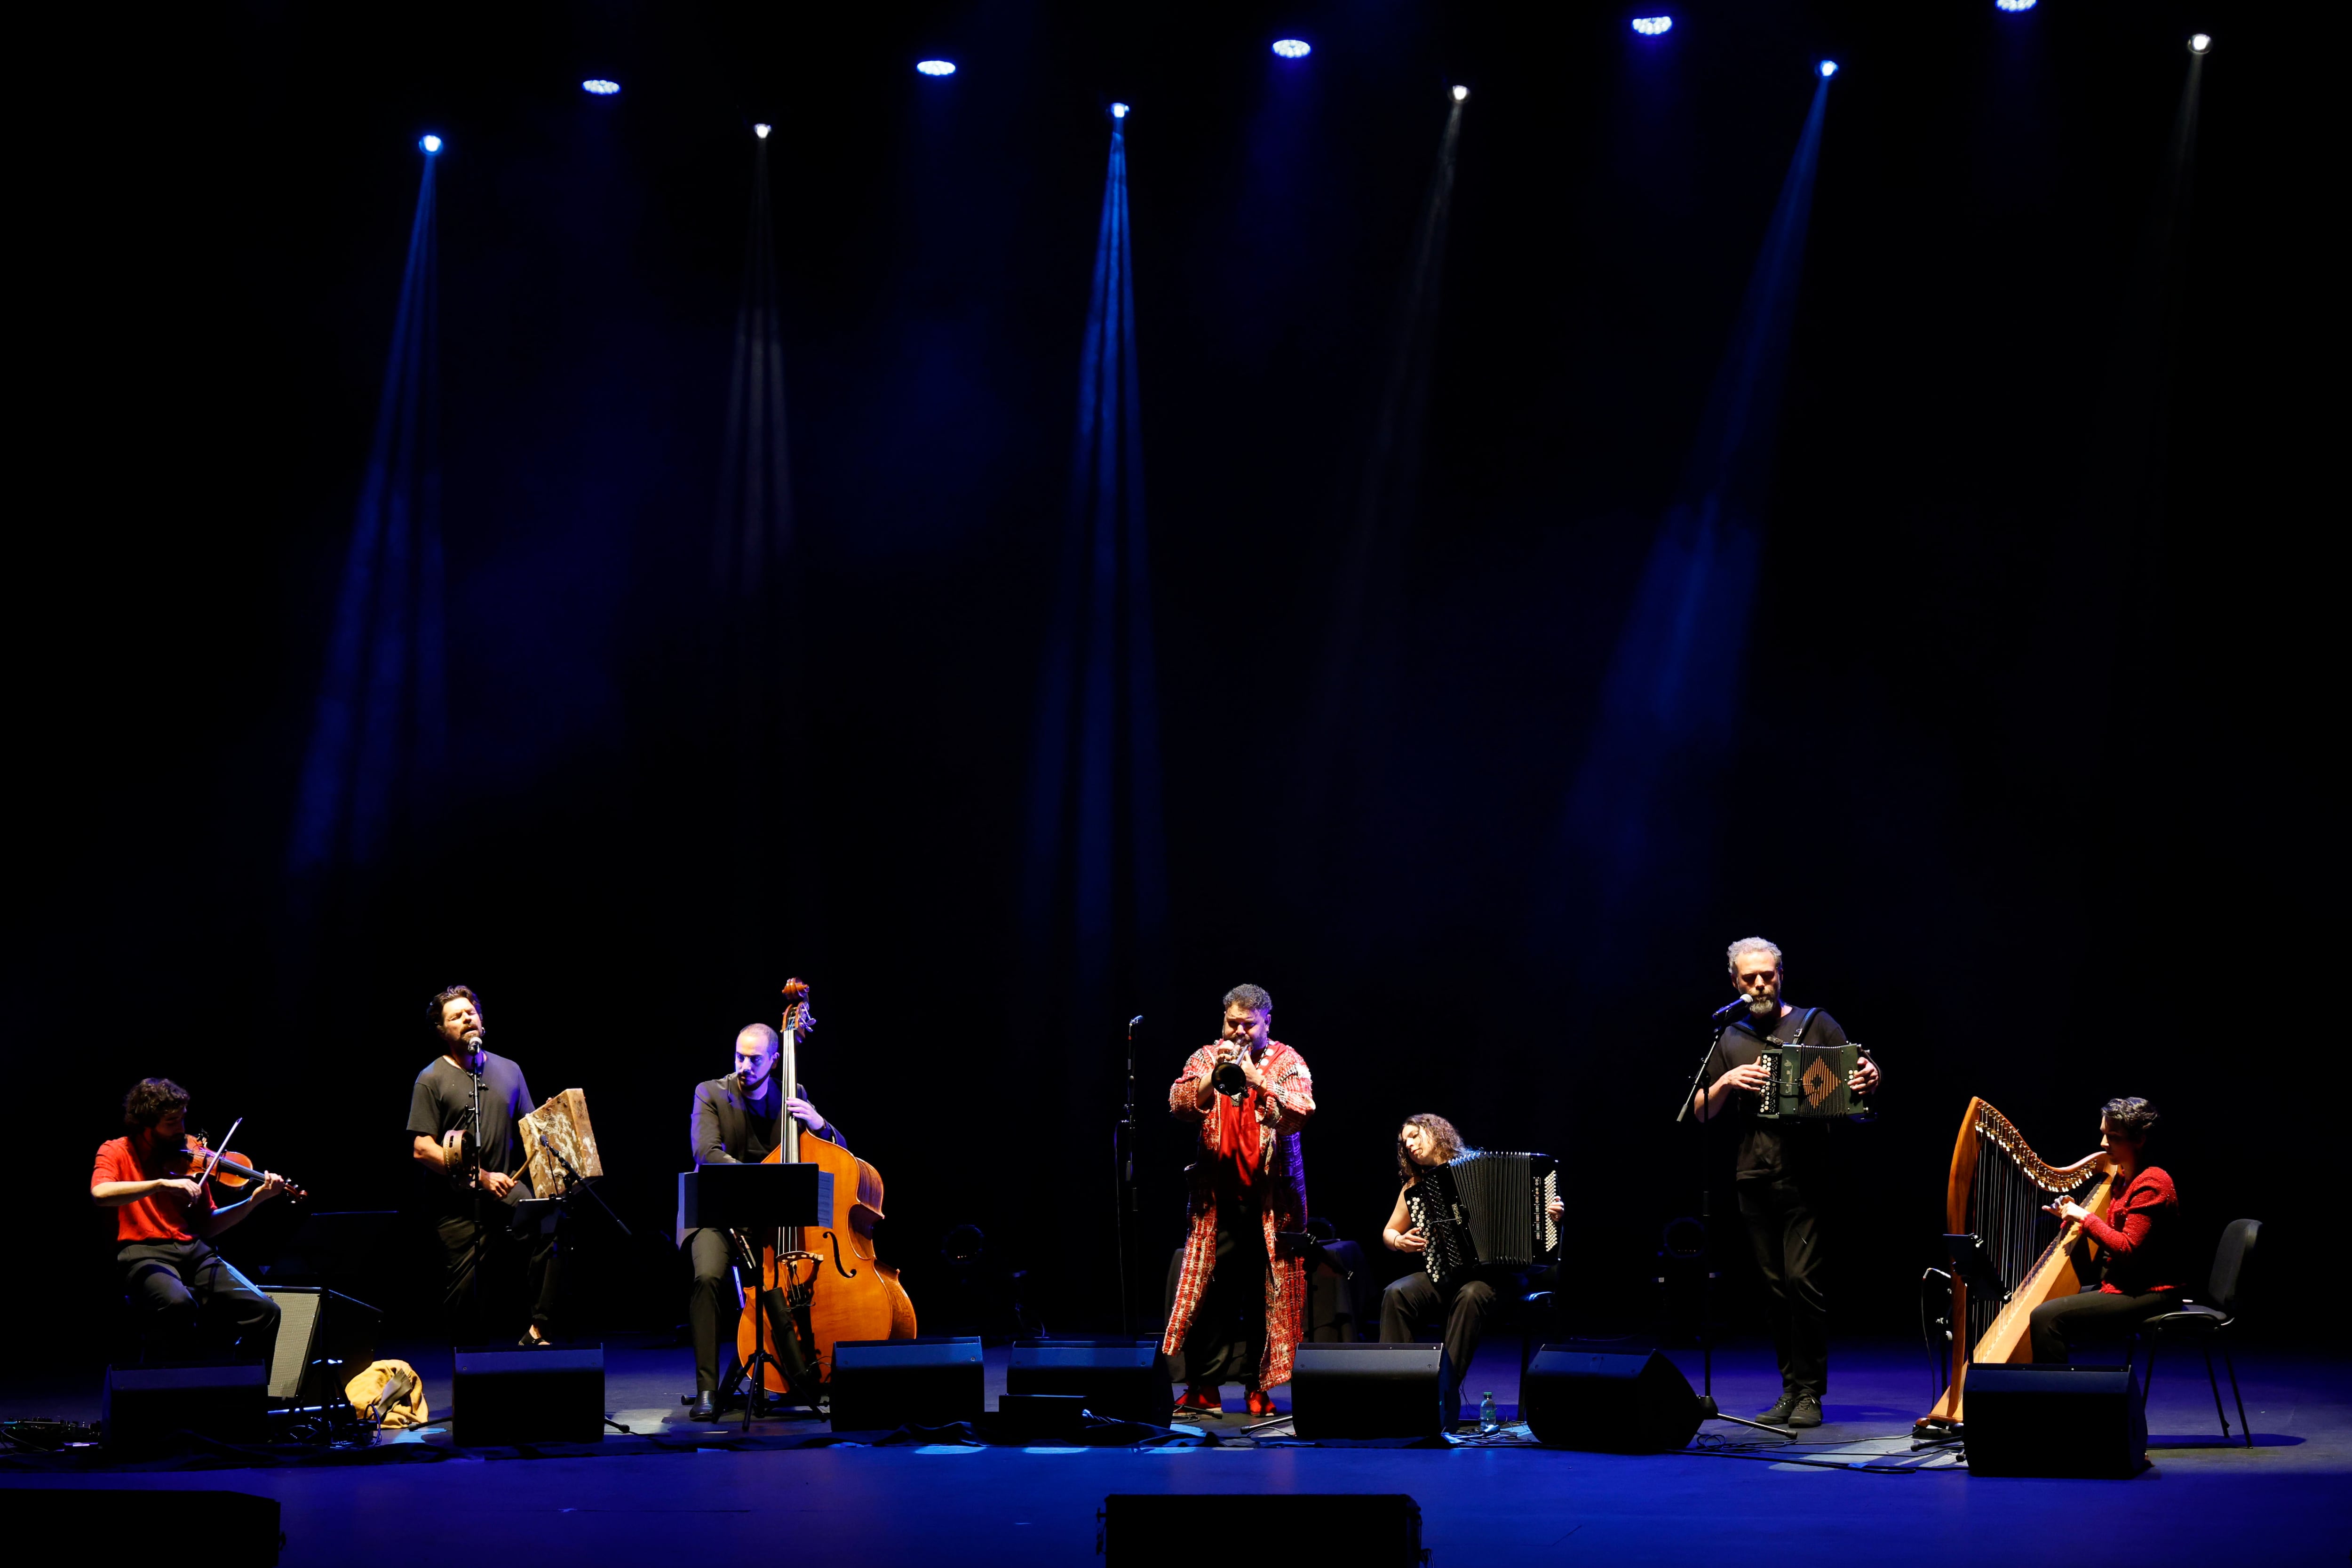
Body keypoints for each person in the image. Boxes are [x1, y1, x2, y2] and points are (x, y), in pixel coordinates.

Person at [1693, 936, 1880, 1428]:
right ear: (1734, 982)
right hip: (1752, 1173)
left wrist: (1870, 1075)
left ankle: (1810, 1392)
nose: (1759, 984)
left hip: (1805, 1173)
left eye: (1767, 975)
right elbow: (1699, 1111)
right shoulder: (1729, 1036)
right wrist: (1725, 1082)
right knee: (1774, 1288)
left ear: (1780, 975)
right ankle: (1790, 1389)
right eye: (1749, 978)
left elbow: (1857, 1078)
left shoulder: (1815, 1023)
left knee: (1802, 1282)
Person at [1161, 984, 1315, 1418]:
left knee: (1266, 1297)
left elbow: (1301, 1112)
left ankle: (1257, 1387)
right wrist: (1215, 1074)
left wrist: (1258, 1080)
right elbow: (1179, 1104)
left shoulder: (1289, 1061)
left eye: (1249, 1024)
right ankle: (1205, 1387)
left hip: (1273, 1204)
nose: (1240, 1032)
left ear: (1267, 1021)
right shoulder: (1206, 1056)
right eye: (1233, 1023)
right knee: (1212, 1297)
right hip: (1216, 1201)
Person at [681, 1016, 844, 1421]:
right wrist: (762, 1179)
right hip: (719, 1215)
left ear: (775, 1060)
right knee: (707, 1277)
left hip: (773, 1221)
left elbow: (837, 1151)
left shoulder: (793, 1094)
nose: (744, 1066)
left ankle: (805, 1375)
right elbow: (706, 1153)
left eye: (754, 1059)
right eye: (739, 1056)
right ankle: (707, 1389)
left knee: (787, 1284)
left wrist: (821, 1125)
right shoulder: (710, 1093)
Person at [1378, 1114, 1566, 1422]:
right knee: (1397, 1293)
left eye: (1414, 1135)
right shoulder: (1417, 1185)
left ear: (1436, 1133)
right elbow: (1389, 1233)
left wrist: (1552, 1214)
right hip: (1447, 1275)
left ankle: (1442, 1393)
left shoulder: (1479, 1166)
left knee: (1471, 1294)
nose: (1409, 1145)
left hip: (1501, 1279)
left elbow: (1540, 1216)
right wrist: (1399, 1241)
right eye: (1404, 1142)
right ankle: (1396, 1390)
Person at [90, 1077, 290, 1363]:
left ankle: (243, 1385)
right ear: (147, 1123)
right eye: (171, 1122)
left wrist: (254, 1200)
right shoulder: (116, 1150)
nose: (181, 1129)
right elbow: (101, 1193)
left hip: (194, 1252)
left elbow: (209, 1224)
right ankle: (168, 1381)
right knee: (178, 1304)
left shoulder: (191, 1157)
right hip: (142, 1255)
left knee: (266, 1310)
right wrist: (161, 1184)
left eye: (182, 1119)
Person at [406, 984, 560, 1346]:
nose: (466, 1018)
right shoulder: (431, 1078)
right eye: (456, 1016)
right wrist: (481, 1177)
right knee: (464, 1296)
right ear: (443, 1031)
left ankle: (539, 1329)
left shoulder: (510, 1070)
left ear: (481, 1019)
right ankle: (470, 1361)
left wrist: (552, 1119)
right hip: (455, 1203)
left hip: (506, 1189)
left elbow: (531, 1131)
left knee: (552, 1221)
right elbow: (422, 1148)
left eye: (470, 1012)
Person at [2030, 1098, 2180, 1362]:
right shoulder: (2123, 1178)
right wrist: (2072, 1215)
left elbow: (2128, 1249)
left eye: (2114, 1137)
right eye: (2103, 1134)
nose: (2103, 1143)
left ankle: (2054, 1389)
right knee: (2040, 1303)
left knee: (2047, 1317)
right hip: (2123, 1283)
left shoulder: (2153, 1183)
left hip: (2150, 1290)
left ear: (2140, 1140)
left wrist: (2085, 1217)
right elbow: (2109, 1229)